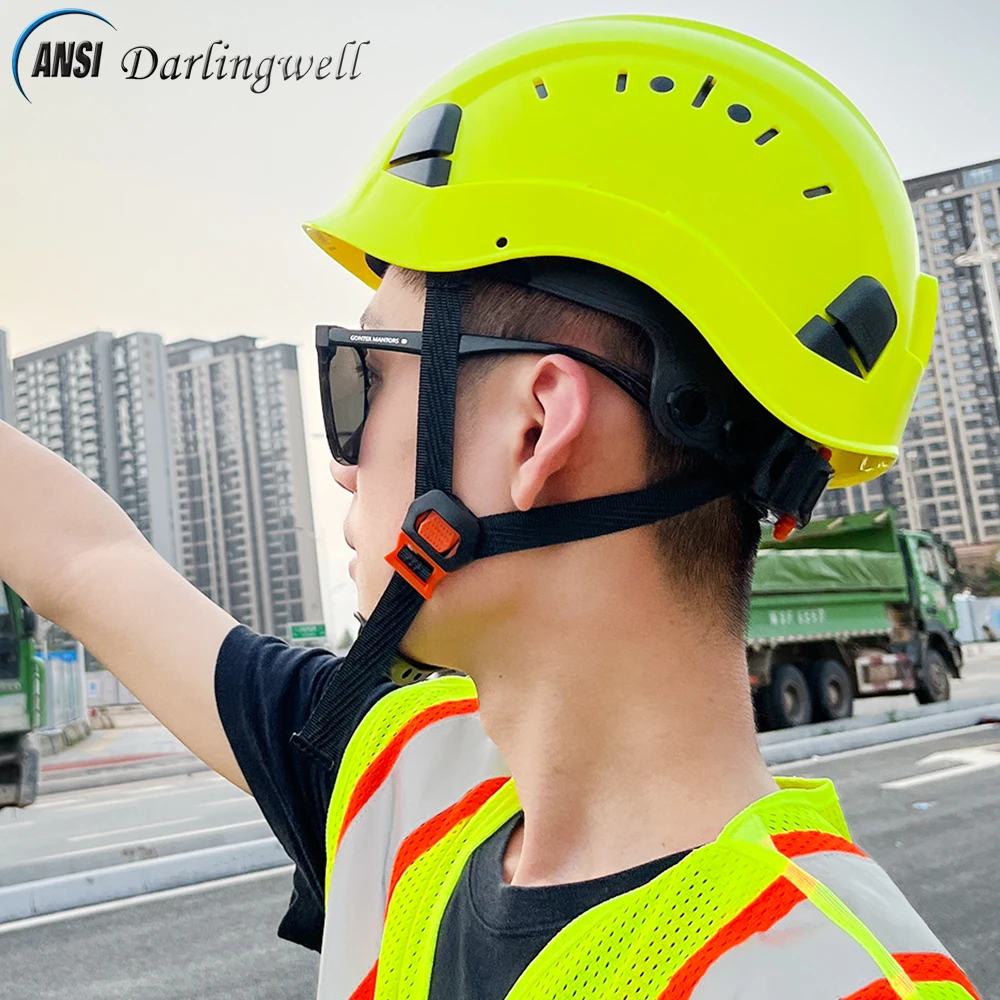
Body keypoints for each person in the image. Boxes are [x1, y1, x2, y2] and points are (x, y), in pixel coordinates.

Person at [0, 14, 979, 1000]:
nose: (343, 467)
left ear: (535, 428)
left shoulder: (827, 980)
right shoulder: (399, 770)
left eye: (361, 375)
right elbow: (87, 563)